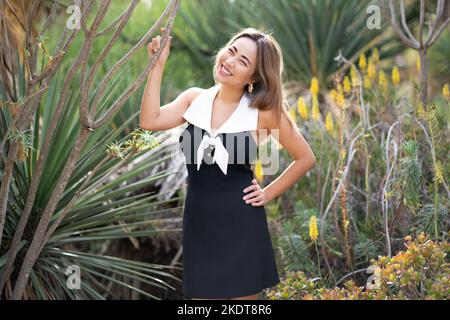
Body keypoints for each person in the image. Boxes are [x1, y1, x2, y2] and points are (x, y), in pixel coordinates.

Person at [140, 27, 316, 300]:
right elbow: (150, 121)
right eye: (231, 51)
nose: (230, 61)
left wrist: (267, 193)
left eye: (243, 61)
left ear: (254, 78)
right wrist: (156, 67)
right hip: (199, 225)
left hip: (242, 226)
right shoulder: (193, 100)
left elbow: (305, 158)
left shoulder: (263, 113)